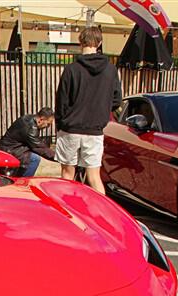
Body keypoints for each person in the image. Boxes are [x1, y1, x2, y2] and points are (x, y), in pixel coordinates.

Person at [54, 27, 121, 195]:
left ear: (80, 42)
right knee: (94, 176)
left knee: (67, 174)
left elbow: (61, 101)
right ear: (99, 43)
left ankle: (67, 212)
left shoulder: (71, 69)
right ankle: (101, 215)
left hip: (70, 128)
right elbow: (116, 100)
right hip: (95, 130)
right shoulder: (110, 70)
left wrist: (61, 123)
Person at [0, 107, 56, 177]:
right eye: (48, 124)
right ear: (41, 119)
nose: (47, 127)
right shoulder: (30, 129)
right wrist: (58, 157)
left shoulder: (29, 119)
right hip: (10, 150)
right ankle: (23, 182)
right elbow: (39, 148)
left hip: (10, 147)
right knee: (34, 159)